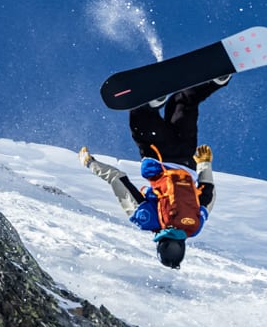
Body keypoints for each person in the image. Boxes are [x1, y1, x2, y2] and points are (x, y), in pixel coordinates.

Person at [80, 77, 228, 268]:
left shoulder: (194, 226)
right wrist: (90, 163)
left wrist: (204, 164)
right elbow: (119, 181)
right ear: (160, 245)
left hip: (187, 157)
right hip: (160, 155)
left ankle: (216, 81)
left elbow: (208, 194)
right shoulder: (148, 220)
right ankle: (153, 101)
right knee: (139, 120)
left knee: (182, 103)